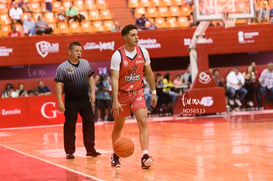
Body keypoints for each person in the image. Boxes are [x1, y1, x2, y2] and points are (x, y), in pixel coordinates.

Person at [110, 24, 157, 169]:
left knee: (143, 120)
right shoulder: (117, 55)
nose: (136, 37)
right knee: (119, 125)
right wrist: (115, 100)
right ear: (124, 37)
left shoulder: (143, 52)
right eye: (132, 35)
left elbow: (149, 73)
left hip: (138, 92)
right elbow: (114, 79)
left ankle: (145, 155)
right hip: (122, 94)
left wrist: (154, 92)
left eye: (137, 34)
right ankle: (116, 154)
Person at [55, 41, 100, 159]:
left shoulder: (85, 64)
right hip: (71, 100)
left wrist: (93, 93)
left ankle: (90, 149)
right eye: (76, 51)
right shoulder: (62, 67)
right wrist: (60, 102)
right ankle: (69, 151)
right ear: (70, 52)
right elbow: (59, 85)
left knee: (89, 123)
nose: (79, 53)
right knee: (70, 125)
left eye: (80, 51)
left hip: (84, 98)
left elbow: (90, 78)